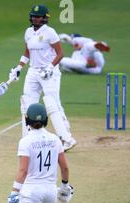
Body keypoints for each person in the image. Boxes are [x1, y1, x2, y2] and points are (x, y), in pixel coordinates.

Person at [8, 4, 77, 152]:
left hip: (49, 73)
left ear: (45, 18)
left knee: (53, 104)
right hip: (33, 72)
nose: (35, 18)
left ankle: (67, 139)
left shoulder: (50, 32)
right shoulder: (28, 32)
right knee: (27, 103)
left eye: (38, 17)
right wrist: (19, 68)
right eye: (33, 16)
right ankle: (27, 138)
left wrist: (50, 67)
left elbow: (60, 54)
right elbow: (27, 52)